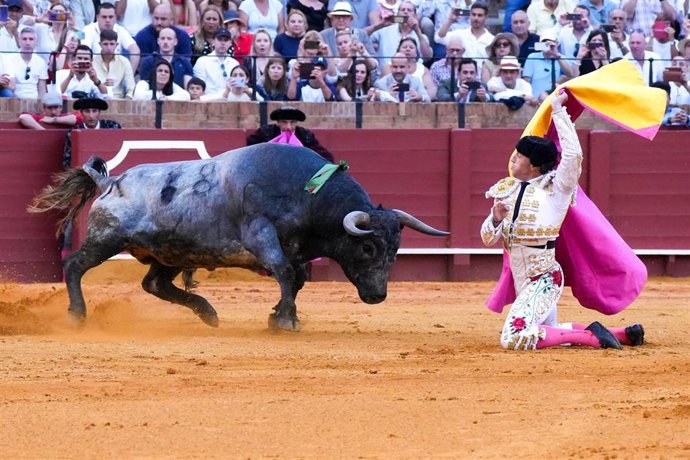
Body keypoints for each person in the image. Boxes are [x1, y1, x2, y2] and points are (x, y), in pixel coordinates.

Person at [481, 91, 645, 350]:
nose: (514, 158)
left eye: (521, 156)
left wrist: (559, 111)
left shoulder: (556, 189)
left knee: (513, 336)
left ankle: (591, 338)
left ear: (535, 166)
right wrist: (494, 218)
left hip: (544, 279)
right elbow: (488, 239)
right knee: (550, 332)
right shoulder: (506, 190)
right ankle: (618, 334)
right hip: (522, 279)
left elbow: (573, 156)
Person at [247, 105, 334, 162]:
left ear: (296, 123)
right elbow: (249, 152)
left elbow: (326, 157)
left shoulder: (304, 136)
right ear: (277, 123)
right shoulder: (266, 133)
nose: (288, 127)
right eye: (284, 122)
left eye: (292, 122)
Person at [82, 3, 141, 73]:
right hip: (94, 72)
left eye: (110, 17)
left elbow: (135, 50)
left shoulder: (120, 30)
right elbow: (84, 52)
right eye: (104, 17)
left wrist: (129, 74)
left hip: (116, 74)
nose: (107, 20)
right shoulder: (87, 29)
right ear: (97, 17)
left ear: (115, 17)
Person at [369, 1, 432, 67]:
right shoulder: (384, 30)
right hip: (386, 72)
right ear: (398, 14)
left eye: (409, 10)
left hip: (412, 74)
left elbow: (427, 57)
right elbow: (364, 38)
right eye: (403, 10)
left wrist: (418, 31)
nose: (405, 12)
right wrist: (379, 25)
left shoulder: (420, 36)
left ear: (415, 16)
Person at [63, 97, 121, 167]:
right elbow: (67, 161)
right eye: (87, 111)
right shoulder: (73, 132)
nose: (91, 116)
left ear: (99, 112)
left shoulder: (112, 127)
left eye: (94, 111)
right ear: (81, 113)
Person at [522, 31, 573, 101]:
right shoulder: (532, 57)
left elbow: (570, 75)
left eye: (550, 42)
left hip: (555, 100)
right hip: (535, 101)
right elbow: (526, 82)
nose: (547, 45)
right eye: (544, 43)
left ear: (557, 44)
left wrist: (557, 55)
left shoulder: (562, 58)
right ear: (540, 45)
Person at [192, 28, 240, 96]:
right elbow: (199, 88)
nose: (222, 43)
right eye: (220, 39)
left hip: (230, 101)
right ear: (213, 42)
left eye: (226, 40)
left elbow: (237, 88)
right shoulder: (202, 61)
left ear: (230, 43)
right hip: (208, 101)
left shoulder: (235, 63)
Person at [5, 27, 48, 99]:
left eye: (31, 39)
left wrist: (40, 105)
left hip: (35, 102)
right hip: (15, 101)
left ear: (36, 42)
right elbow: (11, 87)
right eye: (24, 39)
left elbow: (42, 90)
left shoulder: (41, 62)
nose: (27, 43)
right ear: (19, 41)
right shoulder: (10, 59)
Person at [92, 29, 135, 99]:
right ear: (100, 44)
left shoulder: (124, 61)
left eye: (112, 44)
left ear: (116, 45)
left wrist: (127, 101)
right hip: (96, 101)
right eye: (105, 44)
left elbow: (131, 89)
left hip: (118, 101)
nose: (109, 48)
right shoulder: (92, 61)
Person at [18, 90, 83, 129]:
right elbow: (23, 117)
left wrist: (53, 120)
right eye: (49, 108)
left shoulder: (64, 117)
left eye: (56, 107)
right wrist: (43, 131)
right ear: (43, 108)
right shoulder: (40, 118)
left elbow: (79, 118)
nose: (53, 111)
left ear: (61, 107)